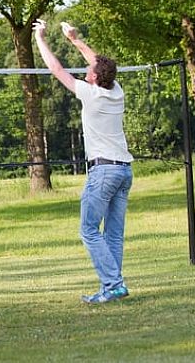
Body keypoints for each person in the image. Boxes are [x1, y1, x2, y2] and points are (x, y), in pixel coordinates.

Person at [33, 19, 133, 304]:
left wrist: (40, 38)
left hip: (103, 172)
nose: (87, 69)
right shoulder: (116, 91)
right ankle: (111, 287)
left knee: (89, 230)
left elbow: (56, 69)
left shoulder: (90, 93)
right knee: (112, 235)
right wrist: (75, 40)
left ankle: (113, 284)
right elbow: (100, 63)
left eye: (89, 71)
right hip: (124, 171)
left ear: (93, 78)